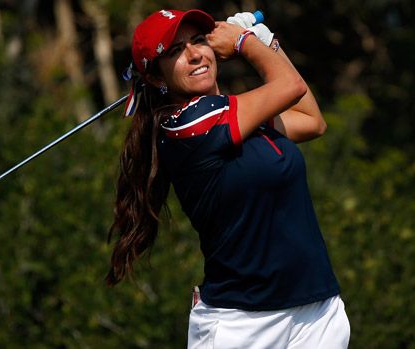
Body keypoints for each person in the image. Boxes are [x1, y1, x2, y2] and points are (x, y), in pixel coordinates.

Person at [106, 8, 350, 348]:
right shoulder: (186, 126)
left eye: (199, 41)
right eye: (176, 51)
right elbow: (291, 86)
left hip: (317, 312)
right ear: (157, 79)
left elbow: (312, 121)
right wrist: (246, 43)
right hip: (243, 325)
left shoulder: (235, 115)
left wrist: (269, 44)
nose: (195, 55)